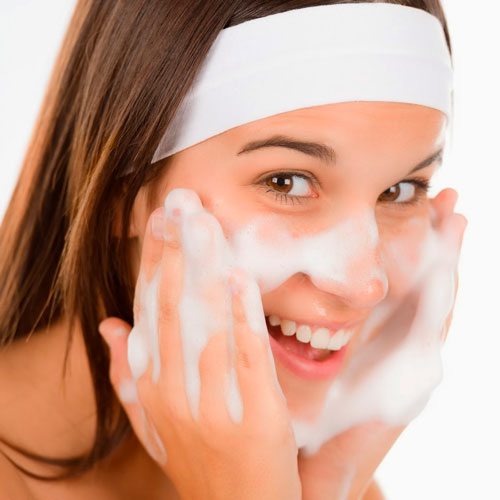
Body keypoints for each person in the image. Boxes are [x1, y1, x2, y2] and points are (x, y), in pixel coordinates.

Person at [0, 1, 466, 499]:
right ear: (119, 192)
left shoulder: (306, 475)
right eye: (287, 181)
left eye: (399, 190)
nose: (364, 285)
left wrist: (334, 484)